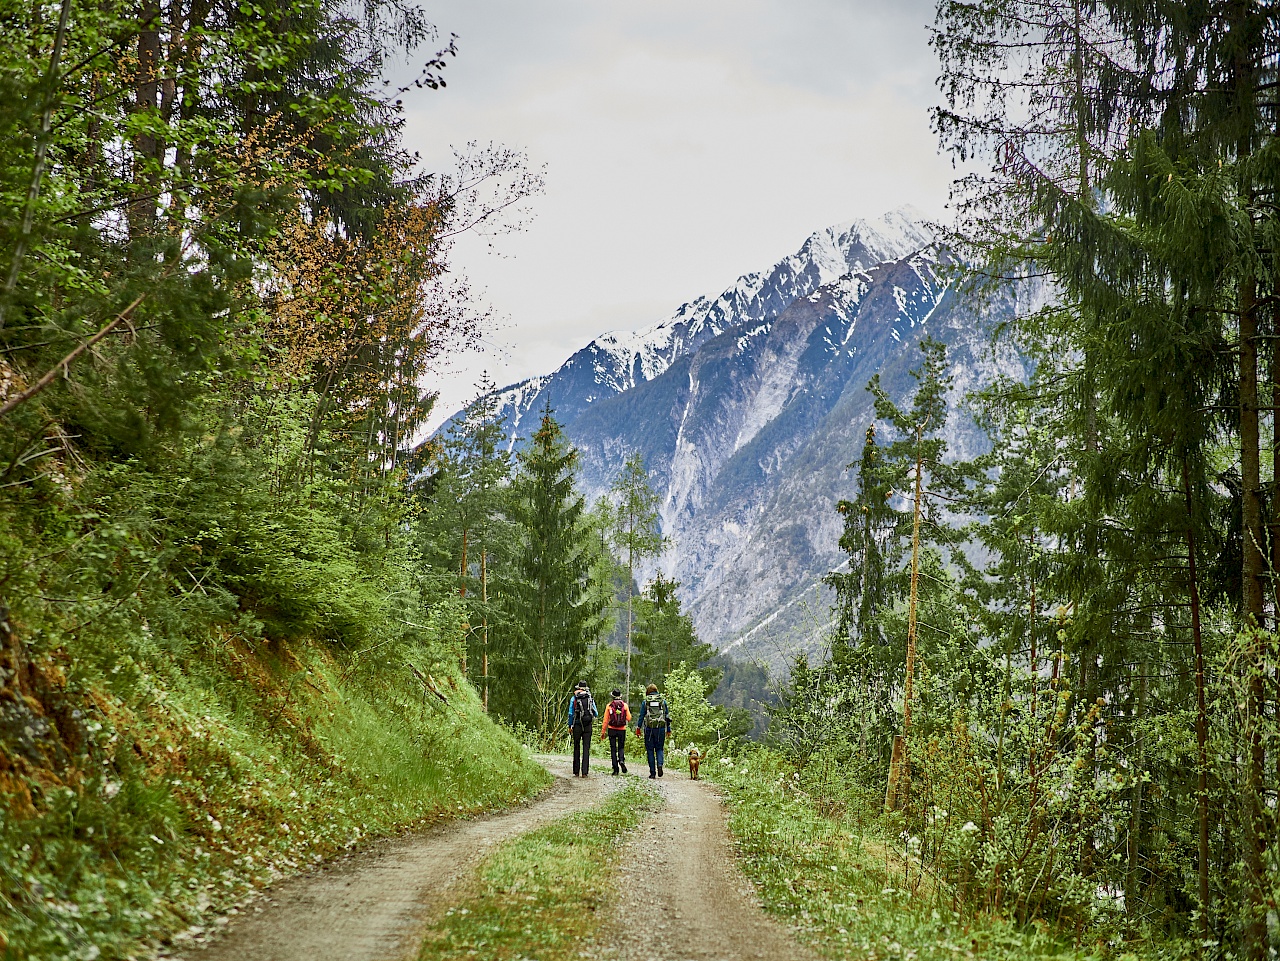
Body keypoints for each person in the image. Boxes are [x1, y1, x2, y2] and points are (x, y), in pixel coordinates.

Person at [634, 683, 671, 778]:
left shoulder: (645, 701)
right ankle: (659, 765)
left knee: (650, 750)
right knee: (659, 748)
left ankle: (653, 773)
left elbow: (641, 716)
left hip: (649, 728)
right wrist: (668, 729)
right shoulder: (662, 701)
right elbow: (667, 716)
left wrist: (638, 728)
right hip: (661, 728)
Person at [567, 681, 598, 777]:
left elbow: (571, 713)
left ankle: (576, 771)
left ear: (578, 688)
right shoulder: (590, 698)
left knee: (576, 747)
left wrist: (570, 725)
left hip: (577, 725)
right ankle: (585, 772)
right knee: (586, 748)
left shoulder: (574, 698)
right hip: (588, 725)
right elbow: (595, 713)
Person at [599, 688, 631, 775]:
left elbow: (605, 720)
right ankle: (621, 760)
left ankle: (615, 769)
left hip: (611, 729)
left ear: (612, 696)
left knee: (613, 749)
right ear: (620, 696)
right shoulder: (624, 705)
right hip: (622, 729)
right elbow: (629, 718)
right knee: (621, 747)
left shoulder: (609, 706)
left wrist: (603, 732)